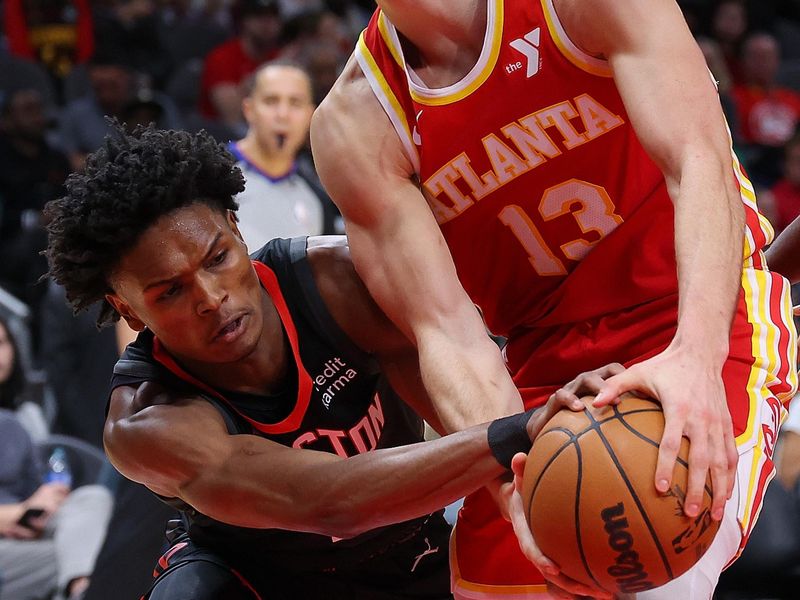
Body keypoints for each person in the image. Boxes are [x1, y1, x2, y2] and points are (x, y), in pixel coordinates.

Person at [310, 1, 798, 598]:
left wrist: (696, 358)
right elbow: (448, 335)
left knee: (651, 565)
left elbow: (700, 161)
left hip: (695, 312)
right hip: (543, 379)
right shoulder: (355, 124)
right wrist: (510, 480)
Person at [43, 125, 602, 599]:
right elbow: (331, 504)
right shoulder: (148, 421)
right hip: (260, 580)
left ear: (238, 231)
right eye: (169, 292)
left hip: (410, 549)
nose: (211, 297)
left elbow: (462, 389)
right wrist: (515, 433)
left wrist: (532, 462)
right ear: (129, 311)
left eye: (218, 258)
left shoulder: (337, 282)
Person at [0, 411, 112, 600]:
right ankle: (82, 585)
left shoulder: (9, 425)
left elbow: (35, 492)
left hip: (26, 535)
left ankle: (80, 588)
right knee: (86, 554)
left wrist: (44, 505)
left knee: (93, 497)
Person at [228, 62, 326, 249]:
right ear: (249, 110)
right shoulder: (210, 176)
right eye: (271, 101)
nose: (283, 114)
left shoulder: (317, 200)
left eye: (295, 103)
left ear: (310, 115)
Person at [198, 0, 284, 133]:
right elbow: (232, 116)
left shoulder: (278, 56)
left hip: (269, 131)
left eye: (273, 16)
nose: (267, 23)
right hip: (220, 139)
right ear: (244, 21)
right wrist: (270, 70)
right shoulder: (222, 57)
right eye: (259, 16)